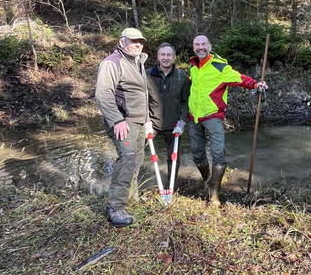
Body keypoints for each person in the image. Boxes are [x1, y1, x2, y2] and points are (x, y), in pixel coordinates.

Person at [188, 34, 268, 205]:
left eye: (203, 44)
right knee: (197, 154)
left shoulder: (219, 66)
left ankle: (214, 195)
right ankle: (208, 181)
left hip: (213, 117)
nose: (200, 47)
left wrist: (255, 84)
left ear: (209, 45)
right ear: (193, 47)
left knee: (218, 154)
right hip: (193, 118)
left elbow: (239, 78)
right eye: (197, 44)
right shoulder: (194, 67)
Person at [95, 27, 152, 227]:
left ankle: (131, 198)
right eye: (133, 41)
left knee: (137, 160)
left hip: (138, 121)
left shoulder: (138, 62)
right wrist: (117, 120)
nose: (138, 44)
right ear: (122, 41)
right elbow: (103, 94)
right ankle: (115, 208)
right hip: (123, 121)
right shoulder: (112, 62)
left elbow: (140, 95)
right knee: (127, 160)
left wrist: (147, 120)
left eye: (140, 41)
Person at [147, 42, 190, 185]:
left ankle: (171, 185)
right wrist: (145, 121)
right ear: (158, 57)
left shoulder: (182, 77)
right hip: (152, 123)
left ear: (174, 57)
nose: (166, 57)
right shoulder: (146, 75)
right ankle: (134, 187)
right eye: (162, 54)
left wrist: (182, 122)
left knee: (174, 157)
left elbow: (185, 103)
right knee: (135, 151)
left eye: (169, 55)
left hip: (174, 125)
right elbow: (141, 101)